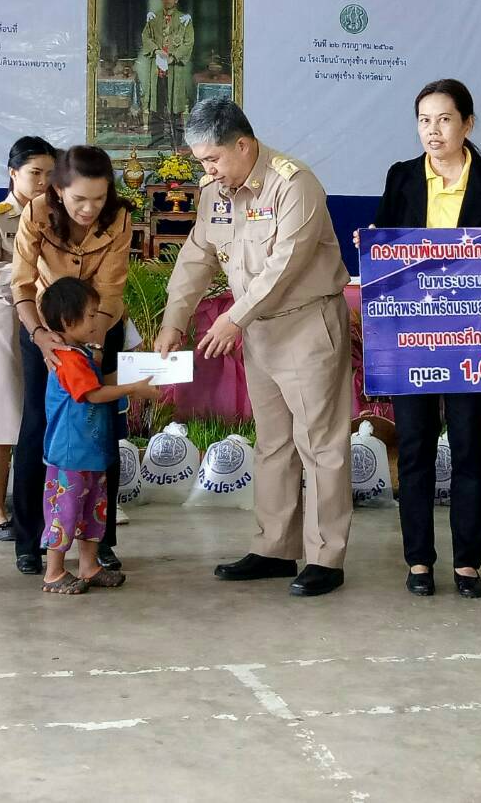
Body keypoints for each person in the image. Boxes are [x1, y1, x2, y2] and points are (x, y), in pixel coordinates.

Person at [155, 99, 353, 598]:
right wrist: (173, 323)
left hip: (306, 327)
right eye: (203, 162)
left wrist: (231, 318)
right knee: (273, 444)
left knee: (319, 445)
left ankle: (326, 557)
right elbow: (196, 258)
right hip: (259, 332)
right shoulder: (216, 193)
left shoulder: (295, 184)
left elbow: (283, 267)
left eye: (212, 160)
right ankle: (274, 547)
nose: (208, 171)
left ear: (242, 145)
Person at [363, 79, 481, 600]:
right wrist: (372, 242)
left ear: (468, 125)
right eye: (424, 120)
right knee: (413, 449)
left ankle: (469, 563)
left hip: (472, 341)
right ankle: (419, 561)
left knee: (470, 449)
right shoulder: (401, 179)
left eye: (444, 119)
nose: (433, 130)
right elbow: (386, 251)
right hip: (412, 338)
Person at [11, 145, 133, 577]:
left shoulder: (118, 218)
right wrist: (44, 339)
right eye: (79, 198)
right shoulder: (35, 215)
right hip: (44, 327)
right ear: (58, 189)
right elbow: (22, 286)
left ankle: (99, 547)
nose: (89, 208)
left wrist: (94, 346)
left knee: (102, 427)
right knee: (38, 427)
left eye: (98, 198)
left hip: (98, 325)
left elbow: (111, 290)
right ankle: (30, 542)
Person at [36, 277, 158, 595]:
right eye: (90, 314)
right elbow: (93, 393)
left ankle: (89, 566)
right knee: (65, 510)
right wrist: (134, 388)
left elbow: (103, 380)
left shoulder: (83, 354)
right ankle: (53, 572)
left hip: (91, 452)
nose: (95, 321)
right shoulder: (67, 359)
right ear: (66, 320)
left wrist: (148, 372)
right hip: (70, 455)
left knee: (93, 510)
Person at [0, 136, 56, 543]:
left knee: (39, 415)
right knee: (1, 418)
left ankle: (36, 505)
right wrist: (32, 273)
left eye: (49, 174)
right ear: (13, 173)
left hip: (48, 322)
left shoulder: (57, 216)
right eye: (34, 173)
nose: (43, 182)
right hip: (5, 319)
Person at [136, 0, 195, 140]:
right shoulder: (153, 19)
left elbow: (188, 42)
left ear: (176, 0)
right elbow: (146, 37)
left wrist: (173, 56)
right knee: (156, 104)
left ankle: (177, 140)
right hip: (157, 69)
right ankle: (156, 138)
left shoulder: (184, 20)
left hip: (175, 68)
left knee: (176, 104)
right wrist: (156, 50)